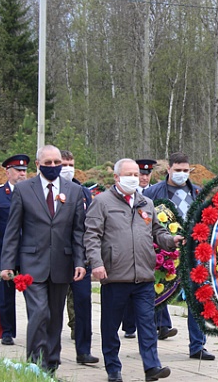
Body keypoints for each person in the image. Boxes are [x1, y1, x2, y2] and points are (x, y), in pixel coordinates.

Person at [84, 158, 182, 382]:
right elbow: (92, 235)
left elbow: (157, 231)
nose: (133, 178)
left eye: (136, 175)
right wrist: (96, 263)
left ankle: (152, 367)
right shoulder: (102, 202)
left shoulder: (146, 203)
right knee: (111, 325)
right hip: (115, 276)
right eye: (128, 174)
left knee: (147, 324)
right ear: (116, 177)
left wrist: (171, 240)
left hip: (143, 277)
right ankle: (113, 368)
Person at [0, 145, 87, 374]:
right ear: (38, 164)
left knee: (55, 317)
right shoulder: (23, 190)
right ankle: (35, 364)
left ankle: (51, 364)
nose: (53, 166)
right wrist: (7, 264)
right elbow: (13, 229)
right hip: (32, 263)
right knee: (39, 313)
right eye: (48, 163)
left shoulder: (74, 191)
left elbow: (78, 231)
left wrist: (80, 261)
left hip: (62, 263)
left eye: (57, 162)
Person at [143, 152, 214, 360]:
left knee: (197, 297)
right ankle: (148, 344)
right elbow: (145, 221)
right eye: (178, 170)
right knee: (155, 298)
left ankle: (198, 345)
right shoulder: (153, 192)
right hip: (163, 253)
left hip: (193, 253)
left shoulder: (197, 192)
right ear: (169, 169)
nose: (182, 174)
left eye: (185, 170)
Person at [0, 154, 29, 346]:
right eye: (18, 171)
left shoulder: (32, 193)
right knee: (4, 295)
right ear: (8, 172)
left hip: (28, 253)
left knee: (33, 293)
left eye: (24, 171)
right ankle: (7, 332)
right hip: (4, 252)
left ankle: (37, 328)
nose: (22, 174)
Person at [60, 150, 99, 365]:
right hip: (54, 257)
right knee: (51, 306)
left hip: (80, 256)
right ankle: (48, 351)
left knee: (83, 303)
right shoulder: (43, 191)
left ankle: (84, 350)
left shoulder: (83, 192)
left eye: (70, 164)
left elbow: (90, 225)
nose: (67, 168)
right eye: (63, 164)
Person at [120, 158, 157, 338]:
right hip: (122, 260)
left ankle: (161, 327)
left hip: (147, 257)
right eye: (137, 174)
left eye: (144, 174)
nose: (142, 178)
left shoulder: (151, 197)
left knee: (148, 301)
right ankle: (129, 326)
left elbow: (157, 226)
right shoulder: (109, 199)